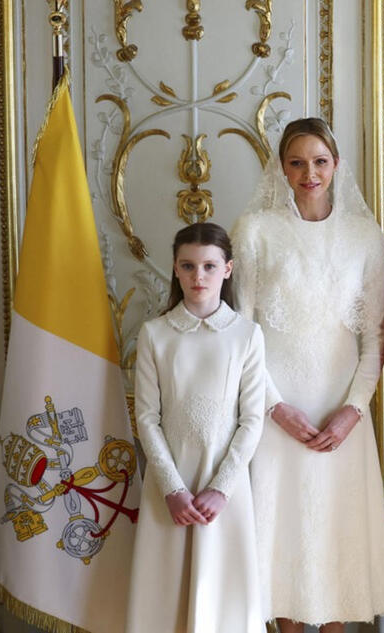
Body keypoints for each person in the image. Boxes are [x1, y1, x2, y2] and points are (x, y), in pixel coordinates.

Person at [231, 118, 384, 632]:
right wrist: (274, 407)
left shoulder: (365, 236)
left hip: (340, 412)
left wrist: (352, 412)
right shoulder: (254, 231)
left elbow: (376, 338)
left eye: (320, 162)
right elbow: (243, 332)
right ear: (281, 169)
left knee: (334, 534)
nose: (310, 174)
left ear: (336, 165)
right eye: (297, 163)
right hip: (275, 410)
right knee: (281, 533)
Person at [128, 222, 266, 633]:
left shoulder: (247, 335)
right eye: (188, 266)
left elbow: (252, 419)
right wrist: (172, 488)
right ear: (175, 268)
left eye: (209, 266)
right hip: (170, 484)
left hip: (225, 485)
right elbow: (146, 418)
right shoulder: (155, 334)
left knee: (224, 593)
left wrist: (222, 488)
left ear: (227, 269)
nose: (198, 276)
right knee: (166, 590)